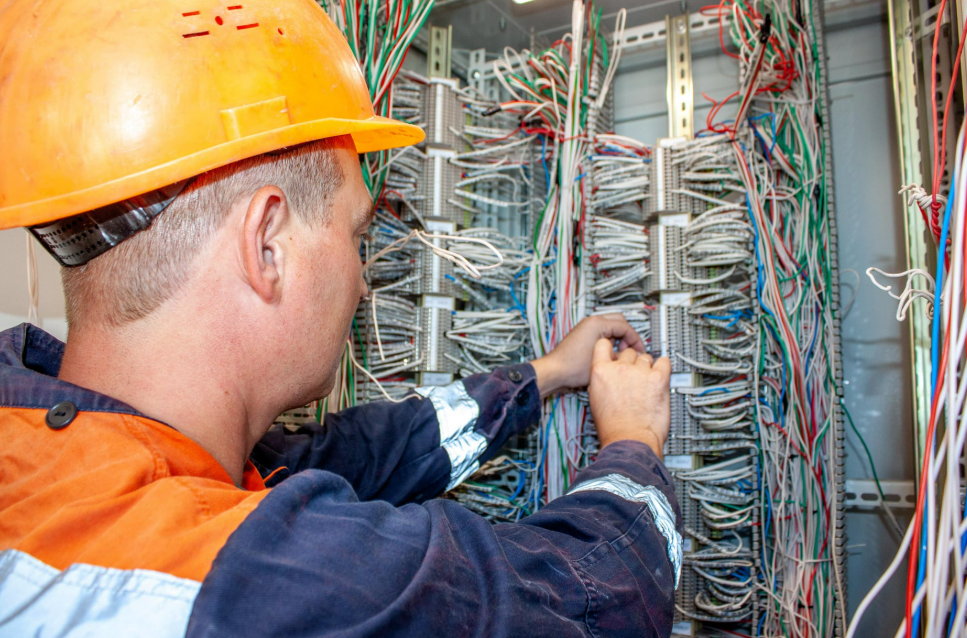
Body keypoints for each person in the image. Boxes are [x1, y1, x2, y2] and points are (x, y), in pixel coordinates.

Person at [0, 0, 681, 636]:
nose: (363, 278)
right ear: (266, 244)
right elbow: (595, 599)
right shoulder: (254, 587)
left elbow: (360, 455)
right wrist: (631, 442)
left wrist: (544, 375)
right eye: (357, 236)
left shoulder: (45, 444)